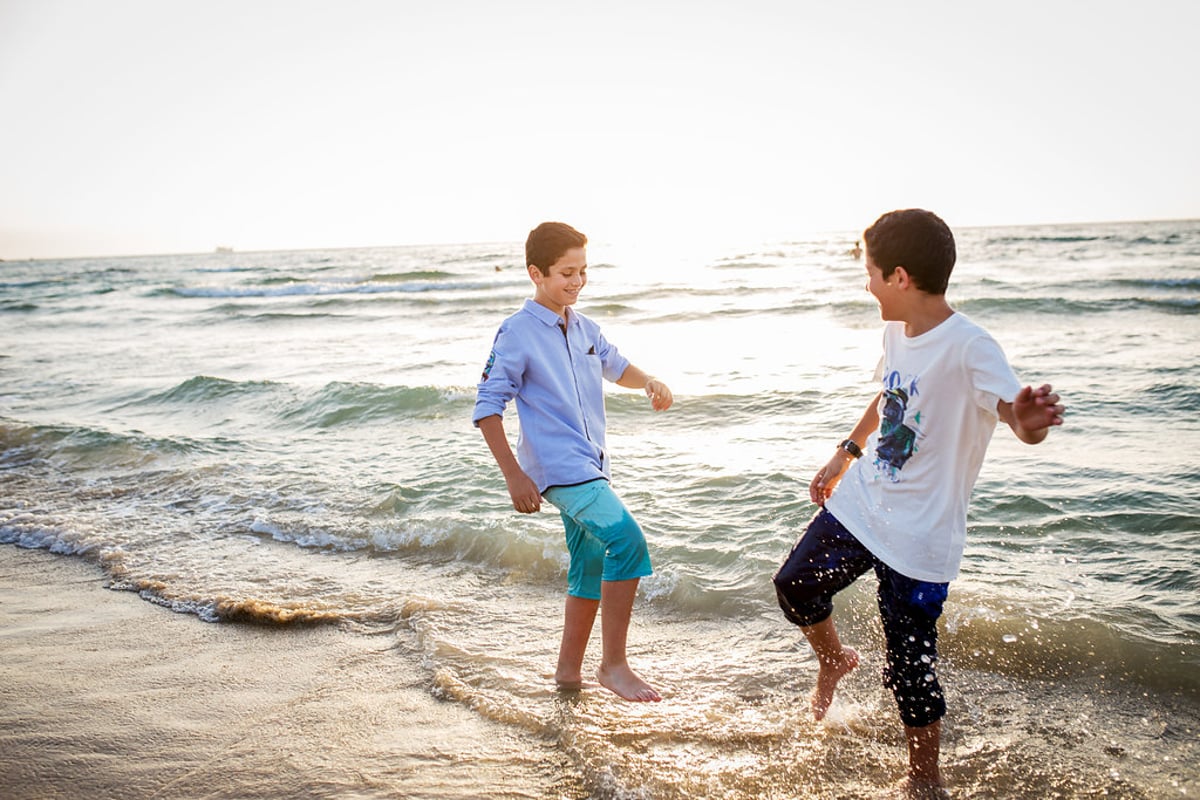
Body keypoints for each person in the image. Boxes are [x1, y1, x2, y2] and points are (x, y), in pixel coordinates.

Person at [773, 209, 1064, 796]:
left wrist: (1030, 422)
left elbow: (1013, 414)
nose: (867, 284)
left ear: (900, 277)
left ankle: (924, 778)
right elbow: (888, 396)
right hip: (864, 504)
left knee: (910, 665)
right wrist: (846, 453)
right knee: (796, 583)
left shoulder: (970, 346)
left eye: (872, 273)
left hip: (921, 536)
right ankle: (834, 659)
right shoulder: (895, 332)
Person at [474, 221, 673, 703]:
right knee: (627, 541)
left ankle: (567, 675)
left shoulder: (584, 327)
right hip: (558, 470)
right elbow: (487, 408)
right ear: (536, 273)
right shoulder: (516, 332)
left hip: (592, 464)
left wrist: (648, 381)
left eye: (583, 271)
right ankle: (614, 665)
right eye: (566, 273)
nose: (577, 282)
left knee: (587, 566)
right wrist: (514, 475)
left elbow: (616, 365)